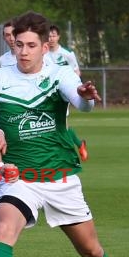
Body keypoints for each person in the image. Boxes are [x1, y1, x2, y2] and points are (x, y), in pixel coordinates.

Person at [0, 11, 129, 257]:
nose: (23, 51)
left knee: (92, 250)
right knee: (4, 226)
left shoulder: (58, 74)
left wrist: (86, 99)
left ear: (45, 47)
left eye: (31, 45)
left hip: (60, 180)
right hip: (18, 179)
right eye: (19, 44)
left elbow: (78, 97)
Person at [47, 24, 88, 161]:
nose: (51, 38)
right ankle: (77, 144)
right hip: (46, 93)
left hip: (61, 94)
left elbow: (76, 71)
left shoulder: (67, 54)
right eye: (49, 35)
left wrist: (73, 90)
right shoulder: (43, 53)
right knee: (53, 125)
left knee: (60, 125)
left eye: (53, 35)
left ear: (58, 37)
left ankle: (68, 153)